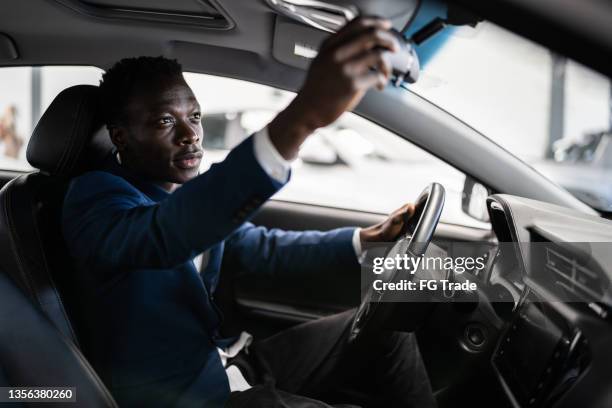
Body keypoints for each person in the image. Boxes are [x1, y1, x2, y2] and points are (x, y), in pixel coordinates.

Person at [62, 17, 436, 408]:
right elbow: (166, 234)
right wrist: (303, 116)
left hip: (231, 364)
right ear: (121, 136)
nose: (189, 134)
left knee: (389, 324)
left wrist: (365, 240)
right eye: (164, 121)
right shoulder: (93, 200)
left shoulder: (173, 189)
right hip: (186, 396)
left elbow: (259, 246)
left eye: (194, 116)